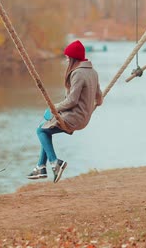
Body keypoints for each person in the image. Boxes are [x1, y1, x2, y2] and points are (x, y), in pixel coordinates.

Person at [26, 40, 103, 183]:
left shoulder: (78, 73)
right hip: (82, 118)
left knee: (40, 130)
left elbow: (72, 100)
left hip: (75, 118)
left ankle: (55, 163)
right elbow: (99, 99)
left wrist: (53, 108)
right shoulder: (93, 72)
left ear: (73, 58)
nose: (66, 59)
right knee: (46, 129)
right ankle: (40, 167)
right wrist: (88, 109)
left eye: (68, 57)